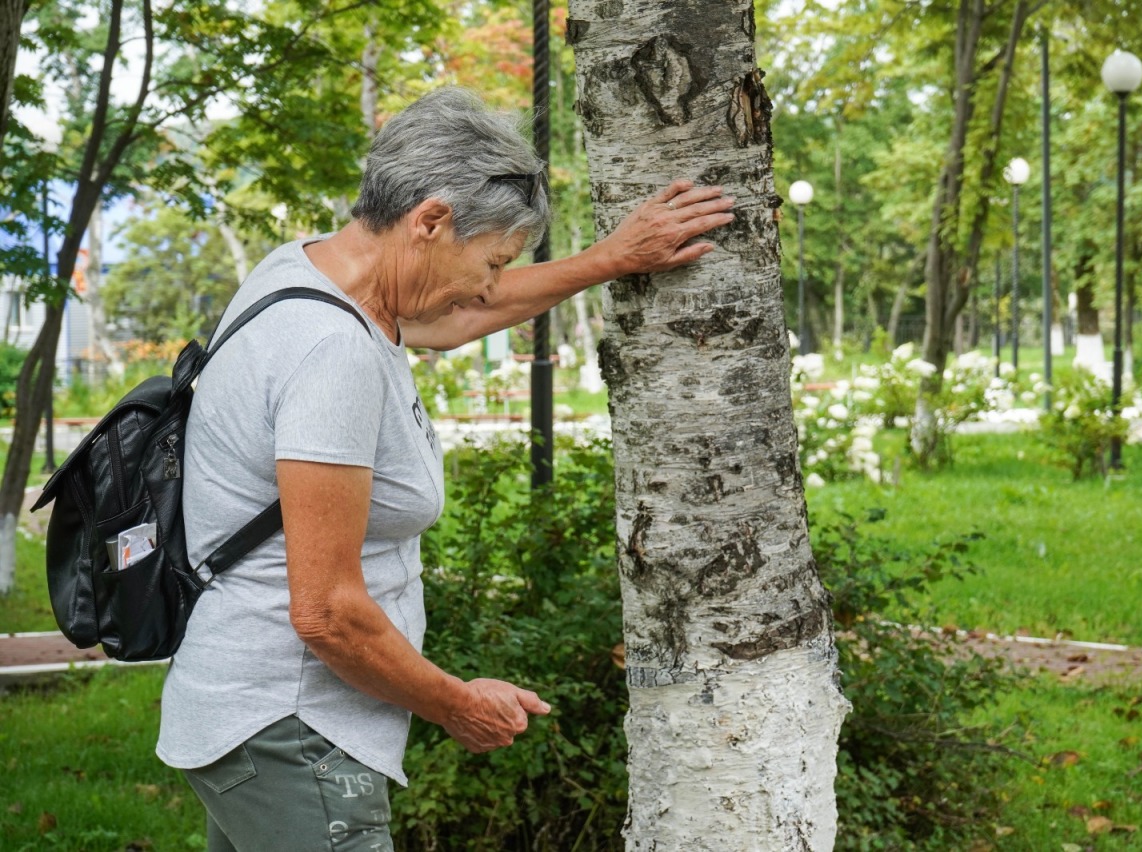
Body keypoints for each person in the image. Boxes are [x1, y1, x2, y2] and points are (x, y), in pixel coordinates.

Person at [156, 87, 735, 851]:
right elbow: (325, 611)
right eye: (492, 258)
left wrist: (612, 260)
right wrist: (454, 703)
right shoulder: (331, 353)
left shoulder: (308, 274)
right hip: (292, 725)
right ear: (430, 220)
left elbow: (456, 316)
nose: (492, 283)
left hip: (245, 715)